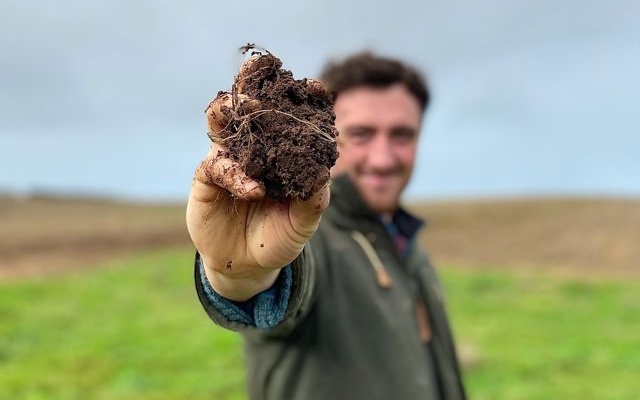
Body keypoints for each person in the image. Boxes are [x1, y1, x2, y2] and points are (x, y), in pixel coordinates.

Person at [186, 52, 467, 400]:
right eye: (361, 134)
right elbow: (282, 289)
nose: (382, 159)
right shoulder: (307, 238)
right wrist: (243, 275)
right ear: (319, 131)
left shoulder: (402, 237)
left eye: (401, 135)